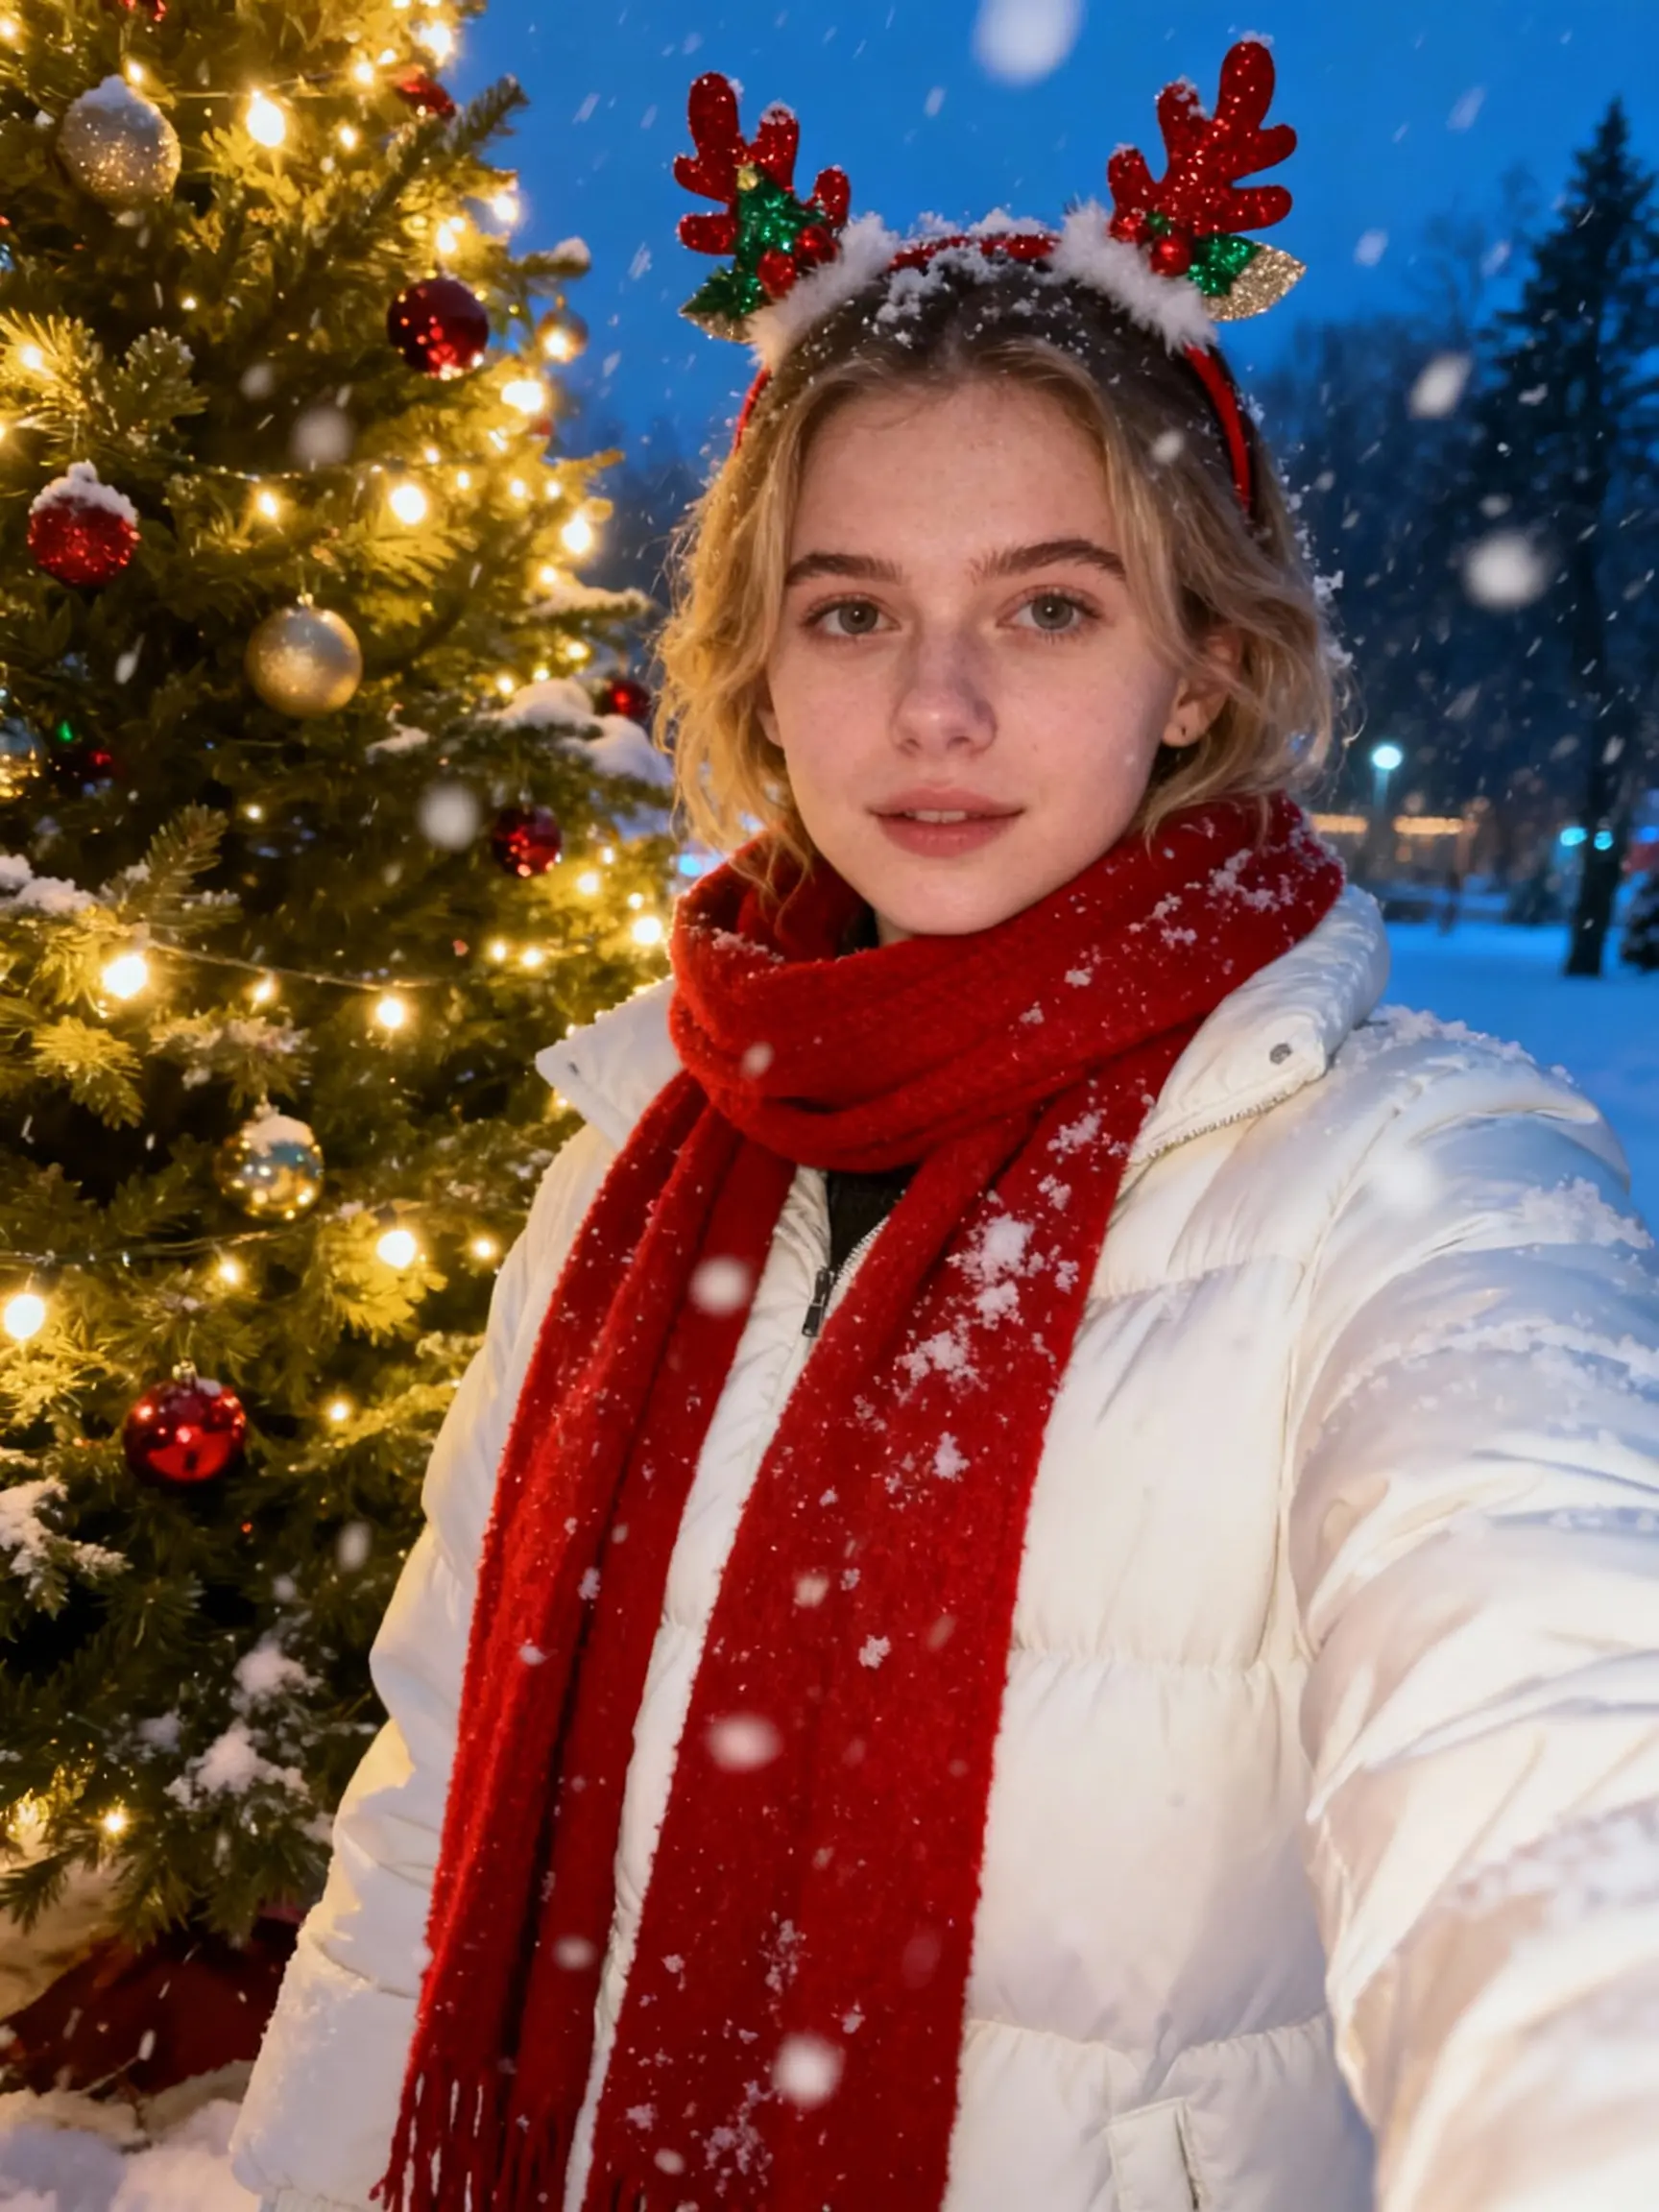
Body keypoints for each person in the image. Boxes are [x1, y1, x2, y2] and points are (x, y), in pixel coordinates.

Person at [230, 43, 1659, 2212]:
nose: (937, 711)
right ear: (761, 656)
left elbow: (1544, 1731)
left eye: (1050, 606)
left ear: (1195, 663)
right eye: (855, 610)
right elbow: (436, 1800)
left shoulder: (1411, 1174)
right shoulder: (635, 1131)